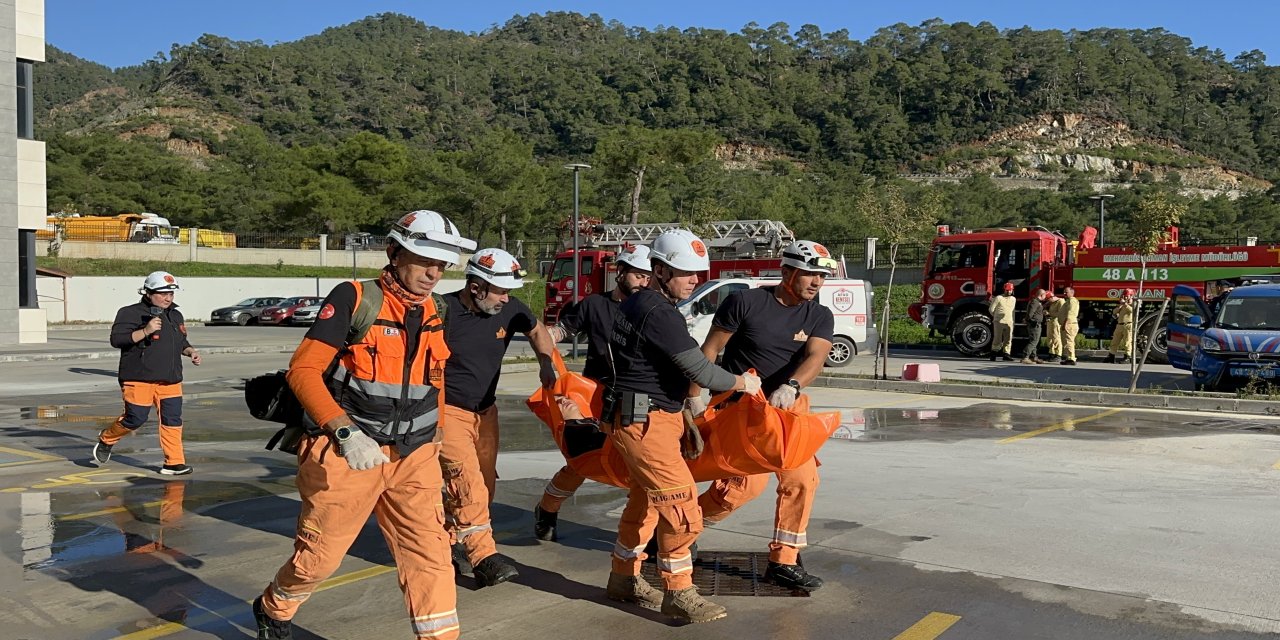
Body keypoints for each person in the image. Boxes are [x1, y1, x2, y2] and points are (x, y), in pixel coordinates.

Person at [253, 210, 475, 640]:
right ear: (394, 252)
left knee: (432, 557)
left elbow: (435, 378)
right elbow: (303, 371)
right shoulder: (355, 298)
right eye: (424, 261)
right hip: (347, 454)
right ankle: (274, 607)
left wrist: (438, 436)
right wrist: (345, 432)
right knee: (319, 559)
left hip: (414, 456)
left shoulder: (438, 309)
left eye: (442, 264)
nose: (433, 274)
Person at [605, 228, 761, 623]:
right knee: (682, 505)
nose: (695, 280)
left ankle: (623, 577)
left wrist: (684, 410)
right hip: (647, 423)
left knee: (644, 504)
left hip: (644, 416)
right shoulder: (659, 312)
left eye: (698, 273)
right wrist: (741, 382)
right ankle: (679, 593)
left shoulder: (638, 302)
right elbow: (700, 370)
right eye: (686, 272)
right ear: (659, 270)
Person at [688, 240, 836, 592]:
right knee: (742, 489)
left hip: (788, 409)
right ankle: (680, 529)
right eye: (810, 274)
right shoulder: (746, 302)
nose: (817, 282)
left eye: (821, 276)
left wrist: (792, 386)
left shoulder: (819, 315)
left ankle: (784, 561)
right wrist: (693, 398)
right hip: (744, 409)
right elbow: (711, 349)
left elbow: (816, 356)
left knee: (802, 480)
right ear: (786, 272)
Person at [440, 247, 560, 587]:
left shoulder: (511, 309)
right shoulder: (443, 312)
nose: (506, 299)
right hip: (448, 411)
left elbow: (537, 331)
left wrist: (545, 362)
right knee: (467, 483)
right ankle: (483, 556)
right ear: (475, 287)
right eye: (500, 291)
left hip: (486, 413)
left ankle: (450, 542)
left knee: (484, 483)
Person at [534, 246, 653, 542]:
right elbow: (562, 331)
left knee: (643, 467)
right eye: (638, 275)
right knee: (581, 463)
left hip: (637, 402)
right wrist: (545, 338)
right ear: (620, 272)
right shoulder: (594, 305)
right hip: (595, 399)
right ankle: (547, 510)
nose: (643, 282)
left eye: (648, 277)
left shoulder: (653, 310)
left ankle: (650, 533)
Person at [93, 271, 201, 476]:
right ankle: (107, 439)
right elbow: (117, 340)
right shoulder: (129, 313)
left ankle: (174, 463)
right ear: (148, 293)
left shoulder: (175, 315)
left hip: (170, 379)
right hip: (139, 377)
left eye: (171, 294)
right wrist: (145, 331)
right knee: (135, 418)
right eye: (163, 294)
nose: (168, 298)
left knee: (172, 420)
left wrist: (190, 352)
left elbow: (180, 342)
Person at [1105, 289, 1136, 364]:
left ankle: (1127, 357)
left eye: (1127, 296)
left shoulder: (1133, 303)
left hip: (1128, 325)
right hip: (1119, 325)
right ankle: (1111, 356)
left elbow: (1132, 311)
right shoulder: (1121, 304)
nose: (1125, 297)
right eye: (1124, 296)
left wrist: (1125, 304)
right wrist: (1120, 306)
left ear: (1131, 296)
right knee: (1114, 341)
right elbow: (1114, 312)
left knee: (1127, 342)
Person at [988, 282, 1016, 361]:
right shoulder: (999, 298)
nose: (1009, 291)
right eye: (1007, 290)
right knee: (997, 338)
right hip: (998, 322)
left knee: (1008, 339)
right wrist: (996, 317)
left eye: (1010, 290)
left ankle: (1006, 354)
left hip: (1009, 321)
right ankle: (994, 353)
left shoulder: (1013, 299)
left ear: (1012, 290)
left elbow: (1013, 311)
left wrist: (1013, 321)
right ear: (1004, 290)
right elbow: (991, 309)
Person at [1020, 288, 1048, 364]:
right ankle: (1025, 357)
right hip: (1035, 325)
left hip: (1036, 324)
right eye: (1045, 295)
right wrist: (1030, 320)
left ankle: (1034, 357)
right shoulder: (1035, 302)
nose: (1045, 297)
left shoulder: (1037, 302)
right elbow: (1030, 314)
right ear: (1041, 295)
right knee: (1034, 341)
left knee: (1035, 341)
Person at [1059, 286, 1080, 366]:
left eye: (1066, 292)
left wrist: (1065, 324)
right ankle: (1069, 358)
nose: (1064, 293)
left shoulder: (1072, 301)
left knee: (1069, 342)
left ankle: (1071, 359)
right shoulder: (1068, 301)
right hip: (1069, 324)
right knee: (1067, 342)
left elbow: (1070, 313)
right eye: (1064, 292)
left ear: (1072, 293)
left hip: (1069, 324)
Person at [1043, 292, 1064, 363]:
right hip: (1050, 322)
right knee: (1050, 338)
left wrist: (1049, 313)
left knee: (1056, 338)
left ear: (1051, 297)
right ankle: (1052, 353)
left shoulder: (1060, 301)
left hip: (1056, 322)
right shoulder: (1052, 303)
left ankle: (1058, 355)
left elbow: (1061, 313)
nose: (1047, 301)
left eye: (1048, 300)